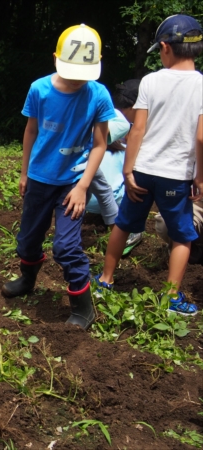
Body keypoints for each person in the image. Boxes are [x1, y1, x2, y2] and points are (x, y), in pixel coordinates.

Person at [1, 24, 115, 330]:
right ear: (55, 59)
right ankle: (27, 278)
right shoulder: (39, 89)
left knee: (65, 247)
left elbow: (101, 143)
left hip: (74, 182)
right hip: (40, 178)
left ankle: (83, 307)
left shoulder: (98, 94)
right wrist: (24, 172)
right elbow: (31, 131)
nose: (78, 78)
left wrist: (83, 186)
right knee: (27, 241)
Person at [95, 14, 203, 315]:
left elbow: (137, 130)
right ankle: (170, 299)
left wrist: (128, 170)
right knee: (182, 235)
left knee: (124, 223)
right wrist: (199, 176)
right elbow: (201, 138)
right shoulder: (201, 86)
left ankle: (105, 280)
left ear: (165, 47)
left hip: (143, 170)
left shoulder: (151, 81)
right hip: (176, 175)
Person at [86, 79, 144, 254]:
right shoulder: (123, 123)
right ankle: (130, 232)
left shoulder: (99, 115)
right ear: (136, 106)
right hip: (110, 202)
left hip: (82, 199)